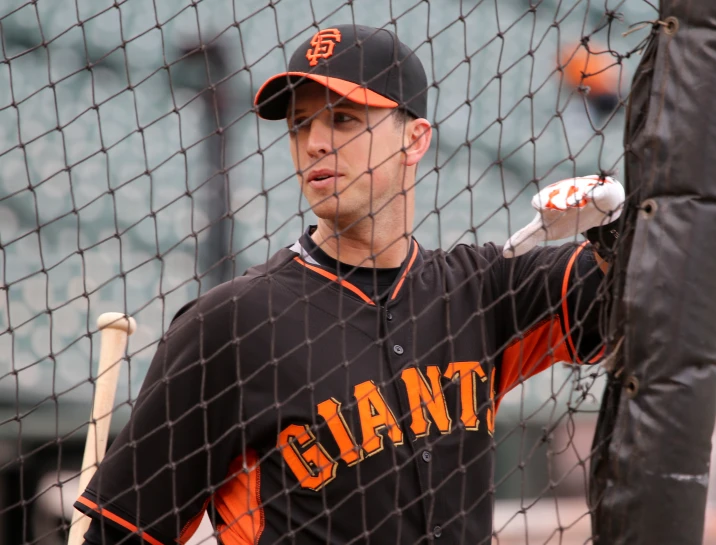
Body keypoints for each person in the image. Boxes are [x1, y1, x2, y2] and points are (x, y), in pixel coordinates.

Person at [74, 24, 620, 545]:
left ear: (415, 139)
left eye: (342, 120)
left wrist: (615, 233)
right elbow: (122, 531)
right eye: (299, 125)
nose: (313, 143)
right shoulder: (230, 324)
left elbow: (635, 292)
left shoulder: (483, 289)